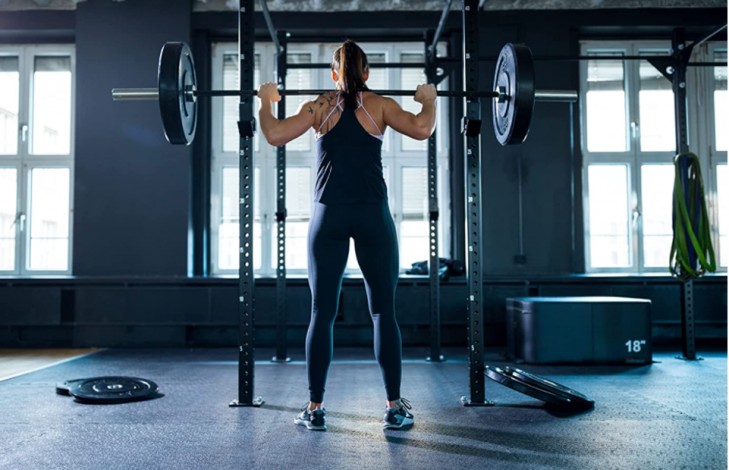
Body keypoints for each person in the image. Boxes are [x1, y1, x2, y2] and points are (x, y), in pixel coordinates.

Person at [257, 39, 436, 432]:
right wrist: (429, 98)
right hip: (373, 218)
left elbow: (273, 135)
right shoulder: (382, 105)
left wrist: (266, 101)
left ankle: (315, 408)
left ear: (333, 74)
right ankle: (394, 407)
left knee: (321, 313)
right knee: (382, 312)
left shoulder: (319, 106)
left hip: (328, 219)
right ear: (367, 72)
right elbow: (423, 128)